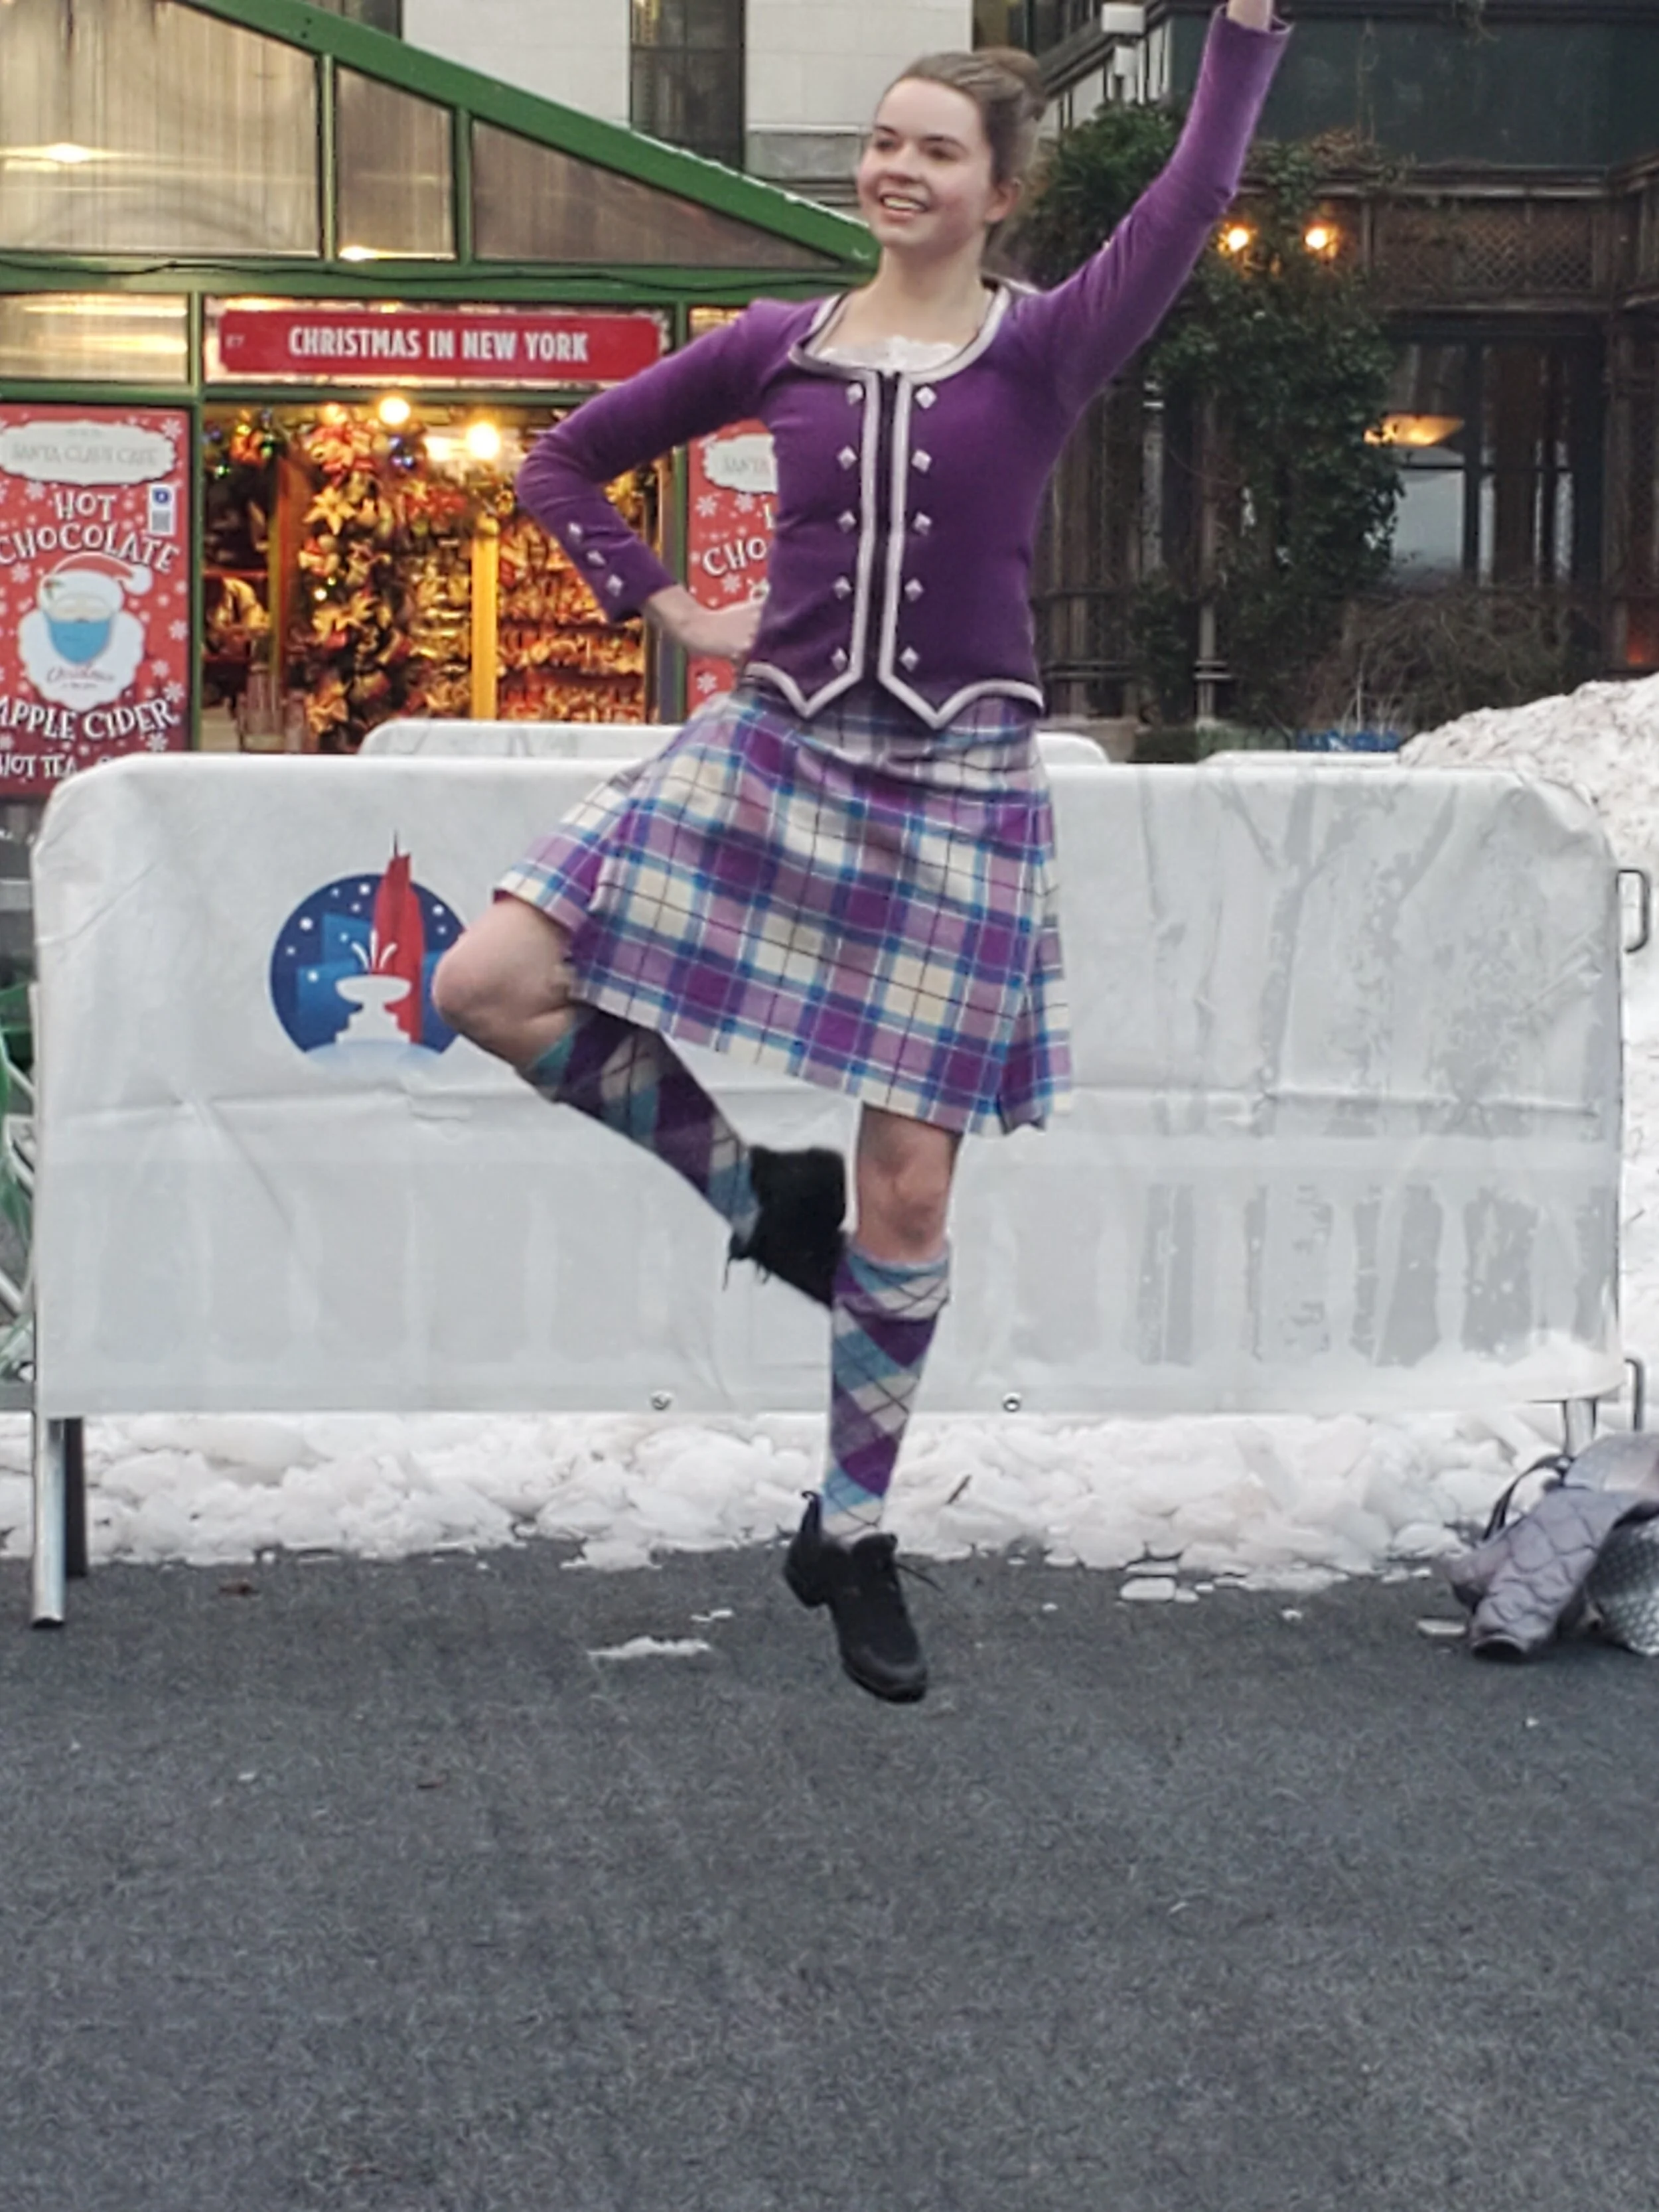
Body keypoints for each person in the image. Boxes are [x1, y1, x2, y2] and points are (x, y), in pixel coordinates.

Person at [433, 0, 1289, 1704]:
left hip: (958, 781)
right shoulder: (779, 342)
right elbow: (563, 460)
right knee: (488, 981)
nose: (895, 168)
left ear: (997, 191)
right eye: (883, 141)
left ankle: (852, 1526)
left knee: (907, 1187)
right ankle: (758, 1194)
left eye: (934, 151)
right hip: (776, 746)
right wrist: (665, 603)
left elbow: (1191, 196)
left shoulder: (1046, 347)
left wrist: (1244, 34)